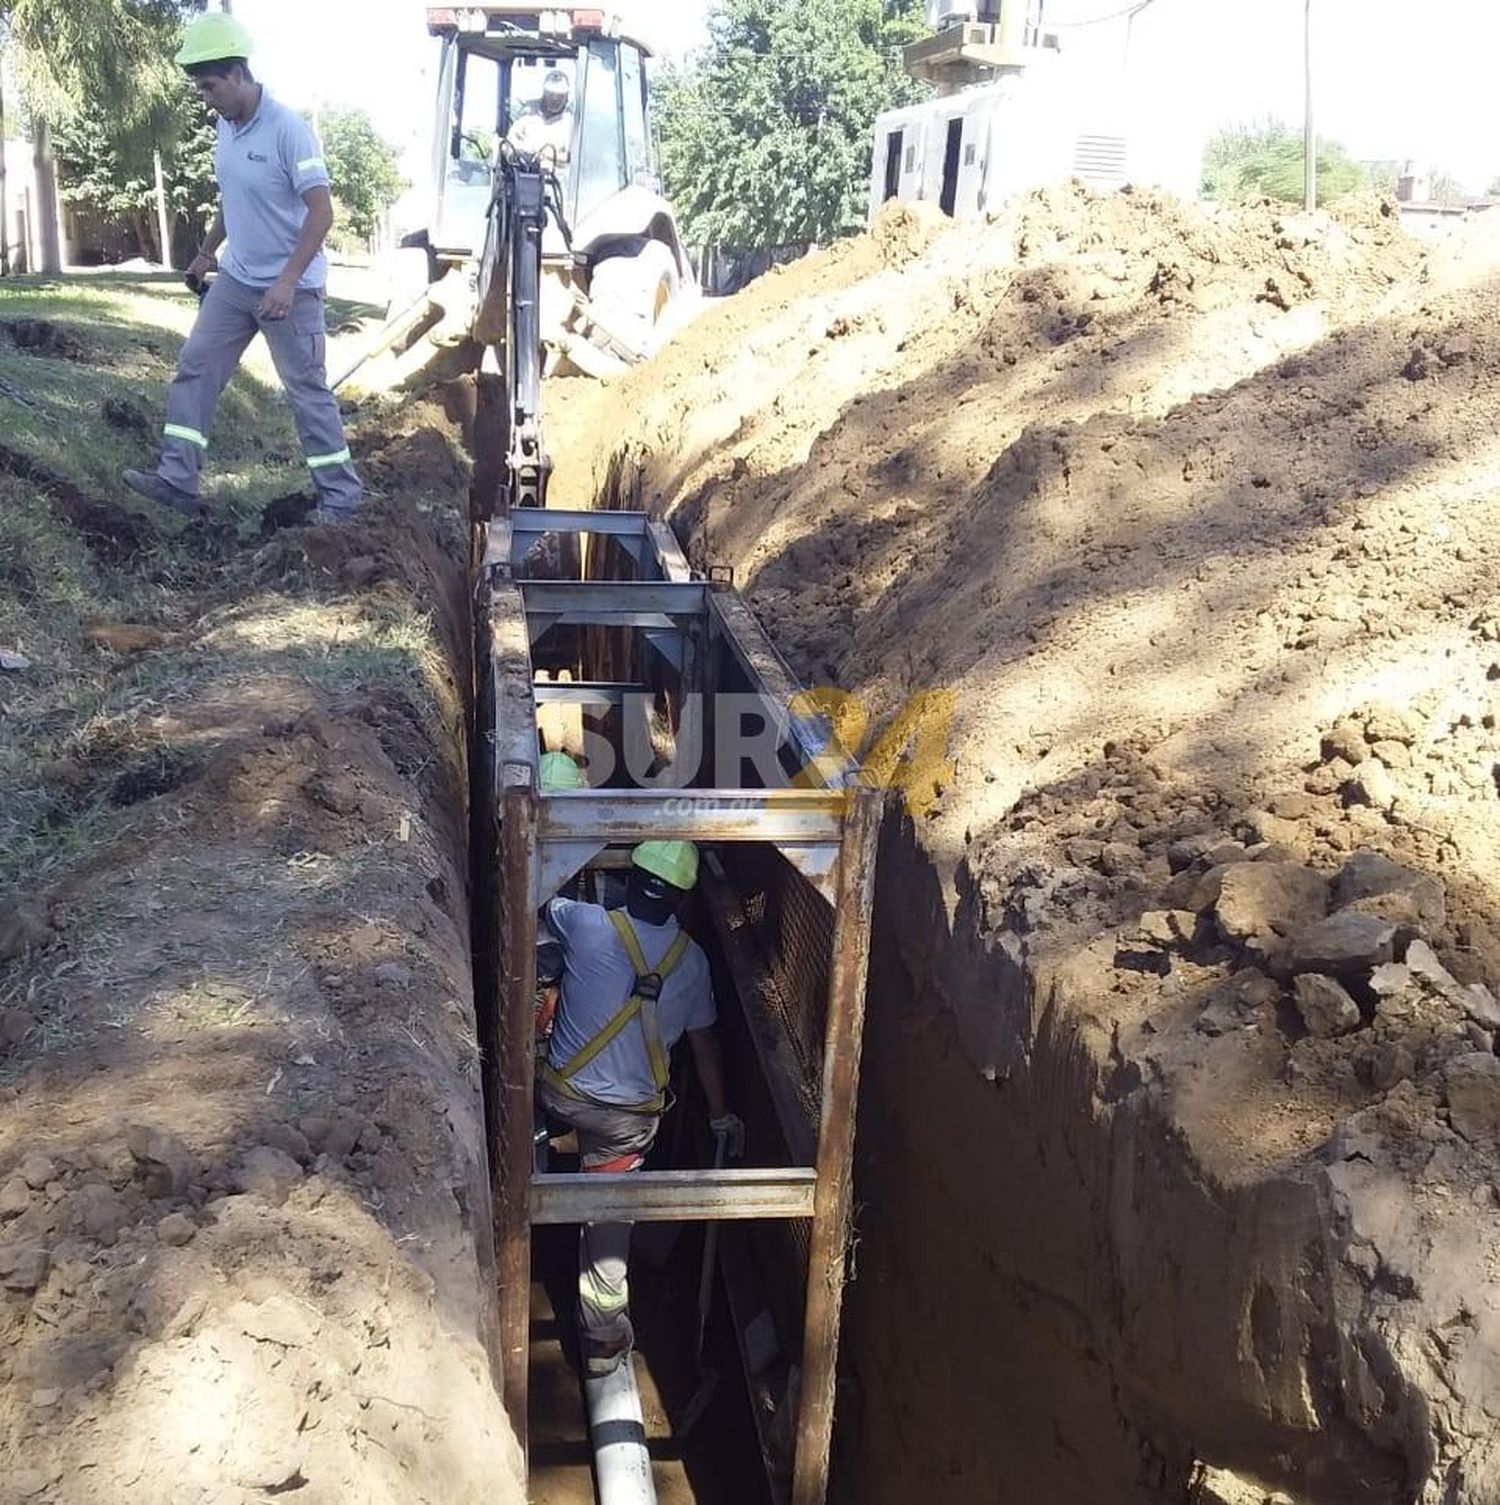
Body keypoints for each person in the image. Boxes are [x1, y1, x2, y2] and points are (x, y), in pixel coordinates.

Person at [122, 13, 363, 525]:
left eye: (210, 87)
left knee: (307, 394)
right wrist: (208, 253)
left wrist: (288, 281)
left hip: (290, 290)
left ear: (237, 75)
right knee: (195, 366)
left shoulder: (288, 131)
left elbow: (323, 213)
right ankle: (176, 480)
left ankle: (342, 499)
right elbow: (231, 200)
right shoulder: (225, 129)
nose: (206, 97)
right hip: (237, 279)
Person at [537, 839, 743, 1377]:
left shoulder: (584, 924)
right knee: (608, 1216)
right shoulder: (693, 961)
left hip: (560, 1095)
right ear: (681, 899)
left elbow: (538, 893)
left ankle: (535, 1179)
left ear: (630, 880)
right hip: (626, 1123)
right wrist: (720, 1116)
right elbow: (705, 1046)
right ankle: (603, 1339)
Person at [507, 68, 574, 159]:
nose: (555, 99)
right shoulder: (528, 112)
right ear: (544, 93)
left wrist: (545, 156)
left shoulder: (570, 123)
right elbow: (509, 143)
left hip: (556, 171)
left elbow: (573, 157)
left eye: (560, 96)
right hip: (524, 169)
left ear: (566, 96)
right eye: (551, 94)